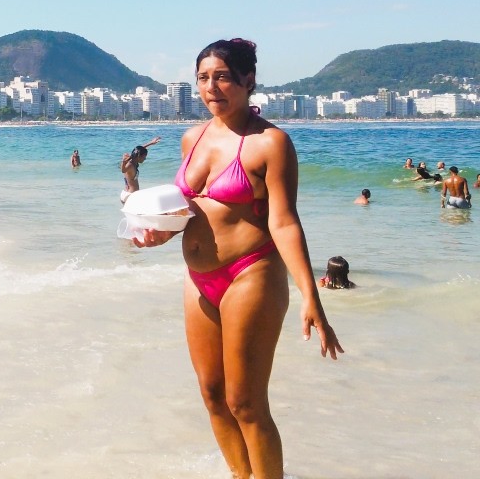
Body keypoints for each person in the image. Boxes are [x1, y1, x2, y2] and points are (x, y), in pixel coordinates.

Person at [134, 38, 341, 479]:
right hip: (199, 279)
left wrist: (311, 296)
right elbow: (189, 211)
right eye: (203, 78)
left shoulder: (271, 142)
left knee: (245, 402)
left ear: (248, 81)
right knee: (212, 394)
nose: (212, 87)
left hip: (251, 272)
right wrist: (159, 235)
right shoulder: (193, 137)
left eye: (223, 77)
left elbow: (284, 222)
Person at [120, 135, 162, 201]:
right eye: (144, 157)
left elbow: (138, 150)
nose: (145, 159)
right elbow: (123, 170)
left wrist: (151, 143)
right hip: (131, 196)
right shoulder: (130, 165)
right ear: (139, 156)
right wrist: (123, 162)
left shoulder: (132, 160)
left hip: (128, 194)